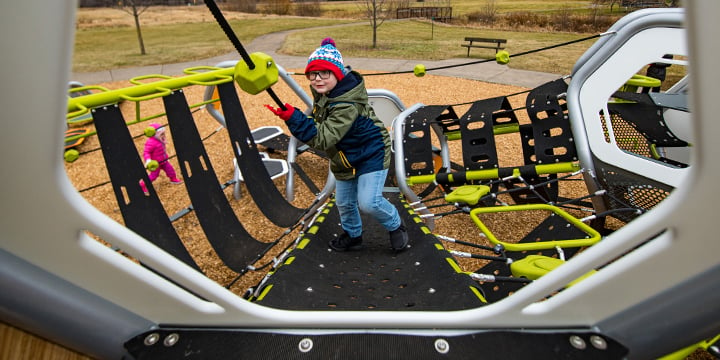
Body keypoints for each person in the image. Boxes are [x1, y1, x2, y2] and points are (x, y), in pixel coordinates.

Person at [265, 38, 409, 252]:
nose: (317, 79)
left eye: (325, 73)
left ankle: (396, 226)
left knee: (369, 202)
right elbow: (321, 125)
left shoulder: (346, 104)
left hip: (371, 152)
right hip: (344, 155)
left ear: (337, 75)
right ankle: (353, 236)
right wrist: (294, 115)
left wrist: (295, 119)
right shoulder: (326, 94)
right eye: (312, 74)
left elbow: (323, 139)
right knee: (344, 202)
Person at [139, 123, 182, 195]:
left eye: (163, 133)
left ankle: (173, 179)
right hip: (156, 163)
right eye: (161, 134)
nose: (163, 135)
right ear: (155, 134)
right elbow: (146, 152)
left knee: (170, 170)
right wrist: (148, 160)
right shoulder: (151, 142)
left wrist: (166, 157)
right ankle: (143, 184)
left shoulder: (160, 140)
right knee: (154, 175)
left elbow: (163, 151)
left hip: (163, 161)